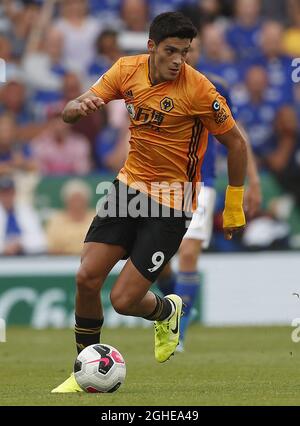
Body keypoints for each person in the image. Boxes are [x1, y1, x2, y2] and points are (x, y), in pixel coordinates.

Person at [51, 12, 247, 393]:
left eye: (185, 52)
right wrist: (76, 107)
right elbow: (74, 108)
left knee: (123, 300)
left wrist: (234, 202)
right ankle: (84, 373)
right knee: (86, 278)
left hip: (173, 202)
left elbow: (236, 142)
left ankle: (167, 310)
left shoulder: (200, 90)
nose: (179, 60)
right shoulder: (126, 70)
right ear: (151, 47)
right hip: (128, 187)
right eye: (171, 51)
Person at [156, 37, 262, 351]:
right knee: (159, 261)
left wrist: (251, 181)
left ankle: (179, 335)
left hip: (203, 182)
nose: (185, 56)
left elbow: (236, 135)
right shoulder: (156, 85)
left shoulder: (215, 88)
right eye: (177, 49)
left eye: (191, 49)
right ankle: (174, 307)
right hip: (161, 182)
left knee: (188, 253)